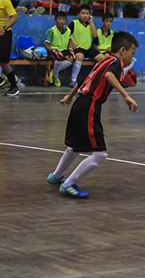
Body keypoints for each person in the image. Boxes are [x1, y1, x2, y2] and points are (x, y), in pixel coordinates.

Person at [46, 32, 138, 199]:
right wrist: (125, 95)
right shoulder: (115, 64)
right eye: (132, 54)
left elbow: (83, 80)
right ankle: (68, 184)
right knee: (100, 154)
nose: (132, 59)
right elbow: (109, 76)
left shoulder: (103, 61)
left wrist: (70, 96)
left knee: (75, 146)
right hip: (89, 106)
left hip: (79, 103)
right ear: (123, 50)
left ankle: (56, 176)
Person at [69, 5, 106, 87]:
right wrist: (71, 42)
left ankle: (95, 78)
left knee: (102, 58)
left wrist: (91, 22)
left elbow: (95, 35)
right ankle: (73, 80)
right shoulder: (74, 23)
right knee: (79, 56)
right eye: (83, 13)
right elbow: (66, 33)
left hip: (89, 48)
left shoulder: (90, 25)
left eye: (87, 13)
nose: (85, 15)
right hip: (79, 48)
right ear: (78, 14)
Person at [45, 11, 75, 87]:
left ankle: (53, 72)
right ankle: (56, 77)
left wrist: (71, 49)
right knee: (59, 58)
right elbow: (46, 45)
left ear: (65, 21)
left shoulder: (68, 30)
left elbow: (70, 41)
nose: (61, 21)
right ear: (55, 20)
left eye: (63, 19)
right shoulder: (51, 31)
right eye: (59, 19)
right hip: (53, 50)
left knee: (72, 59)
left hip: (64, 50)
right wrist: (53, 51)